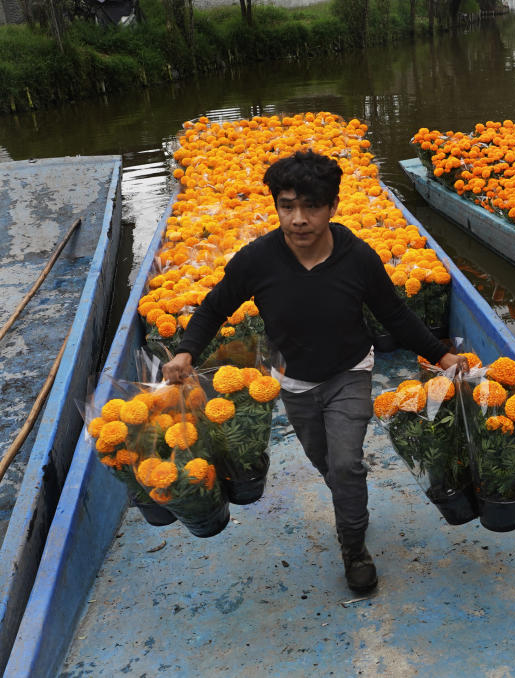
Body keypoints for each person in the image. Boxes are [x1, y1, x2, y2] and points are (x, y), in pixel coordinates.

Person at [162, 150, 466, 593]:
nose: (298, 219)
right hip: (295, 383)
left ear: (332, 207)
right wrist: (186, 352)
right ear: (277, 207)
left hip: (349, 372)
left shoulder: (357, 258)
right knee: (325, 461)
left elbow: (396, 315)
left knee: (346, 464)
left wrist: (442, 356)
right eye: (287, 206)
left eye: (310, 206)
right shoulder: (257, 260)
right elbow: (213, 307)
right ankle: (350, 506)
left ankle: (354, 547)